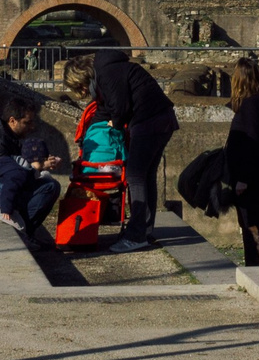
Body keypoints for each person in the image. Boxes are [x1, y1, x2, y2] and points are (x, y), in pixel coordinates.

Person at [64, 50, 177, 253]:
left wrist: (114, 122)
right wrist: (90, 131)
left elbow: (120, 107)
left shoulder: (107, 73)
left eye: (80, 87)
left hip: (149, 122)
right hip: (161, 120)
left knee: (134, 176)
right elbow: (104, 109)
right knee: (146, 175)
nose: (84, 91)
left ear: (81, 76)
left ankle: (136, 236)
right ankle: (144, 229)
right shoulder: (106, 74)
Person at [0, 94, 63, 247]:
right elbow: (7, 173)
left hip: (1, 190)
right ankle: (25, 235)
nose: (32, 127)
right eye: (27, 123)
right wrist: (37, 167)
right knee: (49, 187)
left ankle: (27, 233)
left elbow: (15, 170)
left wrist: (39, 166)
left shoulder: (6, 134)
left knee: (48, 181)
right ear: (12, 120)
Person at [224, 56, 259, 267]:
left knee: (252, 225)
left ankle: (258, 268)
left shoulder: (251, 105)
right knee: (253, 224)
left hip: (250, 178)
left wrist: (243, 179)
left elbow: (252, 143)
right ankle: (256, 266)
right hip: (254, 174)